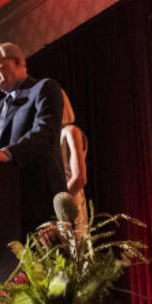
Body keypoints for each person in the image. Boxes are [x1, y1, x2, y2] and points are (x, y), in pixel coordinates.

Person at [0, 42, 67, 237]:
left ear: (18, 62)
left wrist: (7, 154)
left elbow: (44, 131)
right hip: (5, 203)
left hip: (38, 198)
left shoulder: (44, 88)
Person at [59, 91, 89, 237]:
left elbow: (79, 177)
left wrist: (59, 206)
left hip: (69, 201)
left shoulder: (70, 131)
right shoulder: (48, 138)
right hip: (59, 203)